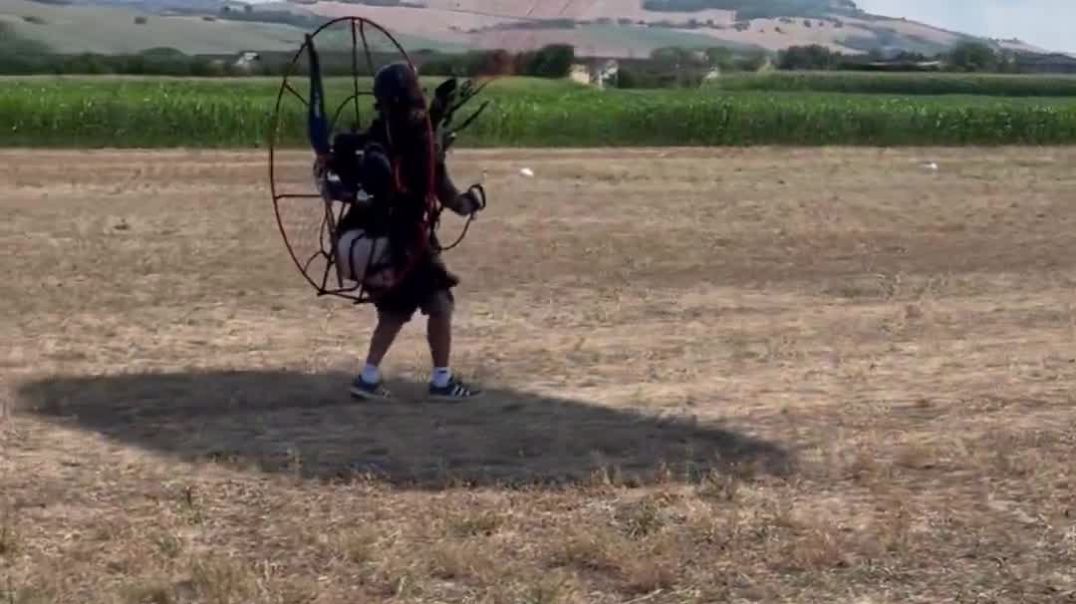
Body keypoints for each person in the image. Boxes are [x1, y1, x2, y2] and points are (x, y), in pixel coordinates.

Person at [331, 62, 485, 402]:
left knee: (396, 309)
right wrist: (465, 205)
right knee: (440, 303)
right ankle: (441, 382)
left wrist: (437, 117)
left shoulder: (376, 133)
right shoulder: (420, 139)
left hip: (368, 229)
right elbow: (440, 185)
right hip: (407, 240)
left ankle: (368, 378)